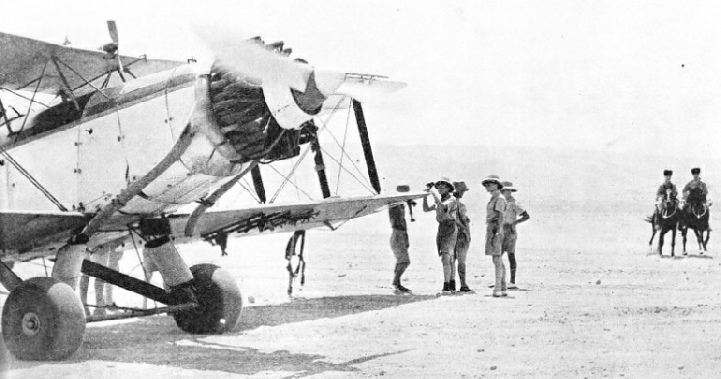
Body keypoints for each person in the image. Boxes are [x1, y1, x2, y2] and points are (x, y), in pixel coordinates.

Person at [423, 177, 458, 292]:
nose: (440, 188)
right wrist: (425, 196)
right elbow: (426, 209)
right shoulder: (440, 200)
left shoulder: (452, 200)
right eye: (439, 186)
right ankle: (451, 283)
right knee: (449, 257)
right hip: (442, 227)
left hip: (450, 227)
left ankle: (447, 285)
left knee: (446, 257)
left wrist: (433, 193)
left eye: (443, 186)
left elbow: (443, 208)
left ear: (449, 188)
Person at [501, 181, 530, 290]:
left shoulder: (514, 203)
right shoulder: (500, 202)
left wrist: (515, 223)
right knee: (498, 255)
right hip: (500, 230)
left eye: (508, 190)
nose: (506, 192)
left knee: (511, 255)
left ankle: (512, 281)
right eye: (504, 190)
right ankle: (500, 280)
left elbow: (526, 216)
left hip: (509, 231)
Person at [482, 175, 507, 297]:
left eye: (490, 184)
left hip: (495, 228)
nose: (488, 186)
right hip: (491, 228)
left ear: (497, 185)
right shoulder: (494, 198)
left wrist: (498, 231)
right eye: (486, 184)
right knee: (497, 259)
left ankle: (498, 288)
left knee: (497, 258)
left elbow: (500, 216)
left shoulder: (499, 198)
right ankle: (503, 287)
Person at [451, 181, 472, 292]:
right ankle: (463, 284)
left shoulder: (450, 203)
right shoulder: (457, 204)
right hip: (460, 236)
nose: (463, 192)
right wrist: (466, 231)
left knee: (452, 260)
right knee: (461, 261)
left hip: (451, 235)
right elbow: (457, 219)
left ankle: (452, 283)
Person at [389, 202, 412, 293]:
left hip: (400, 234)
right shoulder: (394, 205)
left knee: (401, 261)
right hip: (398, 235)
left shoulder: (400, 206)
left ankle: (397, 284)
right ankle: (395, 283)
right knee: (405, 261)